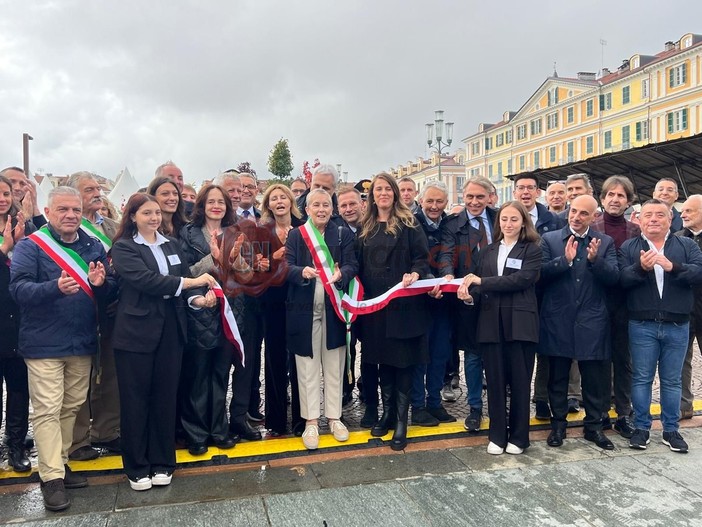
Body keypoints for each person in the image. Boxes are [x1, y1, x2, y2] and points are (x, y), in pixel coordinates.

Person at [10, 186, 117, 511]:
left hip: (82, 341)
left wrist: (101, 285)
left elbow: (109, 287)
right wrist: (53, 288)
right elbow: (18, 289)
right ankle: (52, 478)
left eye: (75, 210)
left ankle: (58, 461)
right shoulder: (32, 246)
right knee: (47, 409)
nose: (70, 216)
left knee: (71, 407)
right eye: (63, 210)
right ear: (49, 210)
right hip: (43, 343)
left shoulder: (92, 245)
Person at [110, 193, 217, 491]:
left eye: (157, 212)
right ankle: (137, 466)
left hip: (171, 330)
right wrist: (194, 282)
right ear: (132, 216)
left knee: (165, 397)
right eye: (147, 213)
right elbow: (147, 281)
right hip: (135, 333)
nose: (154, 218)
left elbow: (182, 286)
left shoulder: (171, 245)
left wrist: (199, 300)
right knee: (135, 400)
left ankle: (162, 461)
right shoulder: (123, 248)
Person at [457, 200, 541, 455]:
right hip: (492, 325)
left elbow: (522, 279)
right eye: (504, 219)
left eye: (514, 219)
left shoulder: (532, 249)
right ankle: (496, 435)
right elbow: (480, 289)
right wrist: (470, 297)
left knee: (519, 383)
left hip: (520, 325)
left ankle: (519, 437)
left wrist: (482, 281)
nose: (508, 224)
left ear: (524, 222)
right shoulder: (488, 251)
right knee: (494, 382)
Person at [620, 199, 702, 453]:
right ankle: (642, 428)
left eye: (659, 215)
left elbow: (699, 273)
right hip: (641, 324)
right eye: (648, 215)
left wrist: (672, 267)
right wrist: (640, 268)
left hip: (677, 324)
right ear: (639, 220)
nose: (653, 219)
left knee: (672, 380)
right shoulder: (629, 246)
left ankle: (671, 429)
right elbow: (621, 279)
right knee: (642, 378)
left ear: (670, 219)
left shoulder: (686, 245)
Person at [357, 173, 429, 451]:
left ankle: (401, 421)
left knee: (403, 363)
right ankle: (386, 414)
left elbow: (423, 259)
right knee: (382, 362)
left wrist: (415, 272)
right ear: (372, 195)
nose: (383, 193)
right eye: (379, 189)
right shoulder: (366, 225)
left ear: (395, 193)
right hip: (376, 308)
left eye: (388, 189)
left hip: (404, 307)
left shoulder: (410, 222)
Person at [540, 195, 618, 451]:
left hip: (592, 320)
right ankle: (558, 425)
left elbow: (614, 279)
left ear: (594, 216)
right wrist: (564, 261)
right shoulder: (550, 240)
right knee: (558, 377)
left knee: (594, 379)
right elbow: (538, 275)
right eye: (574, 211)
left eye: (584, 213)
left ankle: (594, 426)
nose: (576, 216)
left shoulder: (604, 242)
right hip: (558, 319)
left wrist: (597, 261)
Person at [286, 189, 358, 449]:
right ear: (307, 209)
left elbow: (353, 264)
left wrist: (342, 275)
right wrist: (300, 271)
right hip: (304, 312)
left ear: (332, 208)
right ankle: (311, 422)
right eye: (315, 205)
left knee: (334, 364)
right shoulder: (297, 235)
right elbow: (286, 266)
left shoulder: (342, 233)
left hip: (334, 309)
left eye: (326, 205)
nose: (321, 209)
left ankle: (335, 417)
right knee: (306, 367)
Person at [178, 184, 242, 455]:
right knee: (198, 374)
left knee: (220, 373)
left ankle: (219, 429)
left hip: (230, 310)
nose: (217, 206)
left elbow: (247, 273)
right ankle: (196, 433)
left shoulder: (237, 233)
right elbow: (183, 270)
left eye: (221, 201)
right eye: (211, 201)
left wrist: (236, 260)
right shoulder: (188, 233)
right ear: (201, 206)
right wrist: (213, 259)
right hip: (201, 309)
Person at [65, 172, 122, 462]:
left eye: (98, 188)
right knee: (81, 378)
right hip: (80, 310)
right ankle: (78, 441)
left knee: (110, 373)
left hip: (111, 308)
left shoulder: (113, 226)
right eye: (89, 189)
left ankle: (107, 430)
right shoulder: (69, 229)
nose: (97, 193)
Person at [438, 177, 495, 432]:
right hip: (468, 295)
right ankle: (474, 408)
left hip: (498, 292)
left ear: (490, 197)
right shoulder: (453, 224)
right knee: (472, 355)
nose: (474, 202)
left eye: (479, 197)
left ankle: (497, 403)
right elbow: (446, 252)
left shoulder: (500, 217)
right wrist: (448, 273)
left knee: (495, 352)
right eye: (469, 197)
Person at [512, 174, 565, 421]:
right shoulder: (504, 216)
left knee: (545, 348)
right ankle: (516, 396)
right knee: (518, 348)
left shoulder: (552, 220)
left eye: (530, 188)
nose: (525, 192)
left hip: (546, 294)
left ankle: (542, 398)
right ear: (514, 192)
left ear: (537, 192)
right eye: (520, 188)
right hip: (513, 293)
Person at [591, 175, 640, 438]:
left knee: (624, 360)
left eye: (621, 195)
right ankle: (598, 412)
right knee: (599, 359)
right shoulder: (592, 225)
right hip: (597, 301)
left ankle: (623, 412)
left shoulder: (635, 230)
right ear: (602, 198)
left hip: (625, 303)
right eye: (611, 194)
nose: (615, 199)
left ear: (628, 201)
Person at [259, 184, 304, 436]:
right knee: (274, 358)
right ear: (268, 205)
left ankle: (301, 419)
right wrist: (276, 256)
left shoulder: (303, 228)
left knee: (300, 359)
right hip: (272, 301)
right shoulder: (262, 232)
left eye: (282, 197)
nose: (279, 201)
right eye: (273, 198)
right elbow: (257, 267)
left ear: (290, 201)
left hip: (300, 299)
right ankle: (275, 420)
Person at [412, 181, 456, 426]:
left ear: (446, 203)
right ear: (420, 201)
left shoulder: (449, 224)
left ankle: (434, 403)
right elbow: (415, 259)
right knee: (421, 355)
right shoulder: (410, 223)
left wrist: (445, 278)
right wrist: (431, 282)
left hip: (443, 299)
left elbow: (449, 254)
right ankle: (417, 406)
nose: (434, 206)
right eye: (430, 201)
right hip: (419, 300)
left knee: (440, 353)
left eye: (439, 201)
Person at [0, 175, 33, 473]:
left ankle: (17, 442)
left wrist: (20, 245)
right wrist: (3, 250)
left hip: (20, 320)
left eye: (6, 193)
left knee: (20, 388)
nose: (2, 198)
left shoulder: (27, 227)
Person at [676, 194, 702, 420]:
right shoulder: (676, 239)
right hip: (683, 311)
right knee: (680, 361)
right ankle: (684, 405)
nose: (682, 214)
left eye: (688, 211)